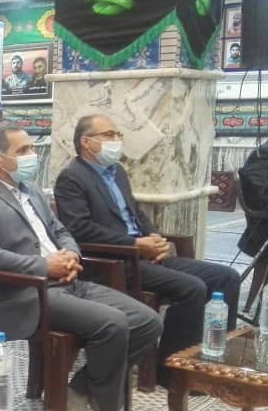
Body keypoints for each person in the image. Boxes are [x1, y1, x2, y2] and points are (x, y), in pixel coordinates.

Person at [0, 123, 163, 411]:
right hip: (28, 292)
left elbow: (62, 231)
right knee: (113, 324)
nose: (32, 155)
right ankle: (108, 408)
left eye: (31, 148)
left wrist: (70, 256)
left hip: (68, 280)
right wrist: (43, 266)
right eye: (23, 150)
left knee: (148, 322)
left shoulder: (32, 191)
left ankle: (79, 390)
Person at [54, 114, 240, 384]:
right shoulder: (72, 178)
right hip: (114, 262)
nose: (117, 140)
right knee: (192, 288)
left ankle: (215, 360)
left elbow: (135, 213)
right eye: (109, 135)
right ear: (86, 142)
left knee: (227, 277)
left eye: (118, 134)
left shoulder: (116, 172)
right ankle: (172, 371)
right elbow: (79, 229)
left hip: (143, 254)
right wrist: (134, 245)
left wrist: (155, 237)